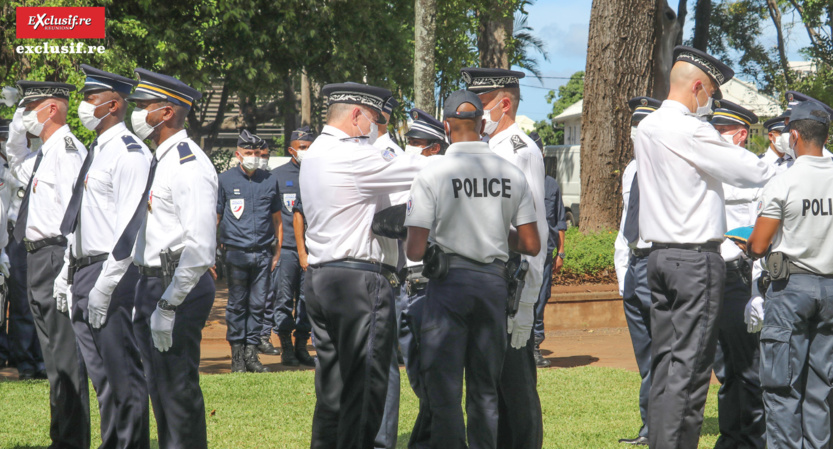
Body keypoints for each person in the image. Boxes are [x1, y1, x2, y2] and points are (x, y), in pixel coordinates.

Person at [633, 46, 774, 449]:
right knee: (691, 372)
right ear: (697, 87)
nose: (710, 102)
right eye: (710, 92)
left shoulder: (649, 126)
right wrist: (784, 157)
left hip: (659, 256)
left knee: (665, 365)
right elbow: (751, 171)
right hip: (694, 260)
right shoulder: (690, 128)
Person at [404, 88, 540, 449]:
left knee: (445, 392)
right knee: (484, 392)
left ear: (446, 126)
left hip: (448, 287)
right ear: (482, 124)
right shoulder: (510, 172)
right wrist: (494, 229)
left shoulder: (433, 173)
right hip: (493, 288)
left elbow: (415, 250)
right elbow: (531, 244)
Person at [299, 82, 429, 449]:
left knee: (332, 391)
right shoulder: (352, 154)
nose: (376, 130)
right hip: (357, 283)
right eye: (374, 120)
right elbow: (419, 169)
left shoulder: (317, 152)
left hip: (323, 278)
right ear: (357, 115)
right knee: (365, 390)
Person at [54, 64, 152, 449]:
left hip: (109, 274)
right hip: (83, 271)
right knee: (103, 380)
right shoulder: (98, 150)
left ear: (112, 105)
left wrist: (105, 285)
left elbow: (130, 227)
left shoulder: (129, 154)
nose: (81, 106)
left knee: (124, 378)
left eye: (89, 99)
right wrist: (66, 270)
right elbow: (83, 219)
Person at [127, 68, 218, 449]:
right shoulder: (160, 159)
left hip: (177, 285)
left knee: (177, 391)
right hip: (153, 282)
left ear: (166, 113)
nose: (137, 114)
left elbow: (199, 249)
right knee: (160, 389)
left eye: (143, 106)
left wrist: (168, 304)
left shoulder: (188, 164)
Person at [462, 66, 546, 449]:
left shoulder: (519, 151)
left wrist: (528, 298)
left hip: (511, 280)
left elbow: (533, 230)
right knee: (486, 384)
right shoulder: (482, 149)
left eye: (479, 105)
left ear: (503, 103)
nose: (472, 113)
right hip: (483, 279)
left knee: (515, 385)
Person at [6, 80, 90, 449]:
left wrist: (67, 273)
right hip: (37, 257)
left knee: (66, 358)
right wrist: (15, 121)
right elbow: (14, 159)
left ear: (51, 109)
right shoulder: (43, 153)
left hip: (57, 257)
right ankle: (62, 439)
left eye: (30, 108)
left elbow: (77, 218)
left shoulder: (68, 151)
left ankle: (72, 441)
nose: (26, 116)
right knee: (53, 359)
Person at [747, 100, 833, 449]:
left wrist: (748, 241)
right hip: (830, 290)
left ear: (794, 135)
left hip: (791, 289)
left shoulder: (784, 182)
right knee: (821, 385)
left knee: (782, 385)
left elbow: (758, 245)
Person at [708, 99, 765, 449]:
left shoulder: (756, 172)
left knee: (746, 366)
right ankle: (730, 437)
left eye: (721, 131)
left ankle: (754, 438)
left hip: (739, 275)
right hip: (708, 273)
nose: (714, 136)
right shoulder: (706, 169)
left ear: (741, 135)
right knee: (723, 366)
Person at [397, 107, 447, 449]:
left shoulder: (436, 172)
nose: (410, 147)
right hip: (404, 282)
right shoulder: (407, 173)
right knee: (416, 369)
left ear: (433, 148)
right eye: (409, 140)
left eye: (417, 142)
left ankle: (433, 438)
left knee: (430, 371)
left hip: (427, 282)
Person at [613, 95, 661, 446]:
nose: (635, 131)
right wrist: (622, 274)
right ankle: (650, 424)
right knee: (645, 356)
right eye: (632, 125)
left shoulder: (667, 165)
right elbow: (625, 221)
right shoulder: (631, 169)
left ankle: (655, 426)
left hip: (657, 261)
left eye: (641, 124)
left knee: (662, 354)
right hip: (633, 265)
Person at [216, 129, 280, 373]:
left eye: (256, 153)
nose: (253, 156)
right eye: (248, 152)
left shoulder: (269, 179)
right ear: (238, 154)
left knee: (258, 305)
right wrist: (214, 250)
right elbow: (217, 216)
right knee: (236, 305)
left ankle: (252, 355)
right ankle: (237, 358)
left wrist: (277, 252)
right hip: (236, 253)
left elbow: (277, 220)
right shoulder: (225, 180)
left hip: (263, 253)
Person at [0, 120, 45, 380]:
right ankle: (26, 362)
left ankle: (41, 360)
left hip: (41, 237)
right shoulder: (11, 168)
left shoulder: (41, 160)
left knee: (41, 300)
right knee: (22, 303)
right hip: (15, 236)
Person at [269, 126, 315, 366]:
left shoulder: (320, 172)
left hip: (314, 249)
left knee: (308, 300)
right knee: (284, 299)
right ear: (291, 150)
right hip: (287, 249)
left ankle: (301, 346)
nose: (307, 152)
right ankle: (286, 345)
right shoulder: (276, 176)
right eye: (303, 148)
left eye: (310, 147)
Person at [528, 131, 567, 368]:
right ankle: (522, 348)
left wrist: (561, 252)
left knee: (541, 299)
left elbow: (560, 221)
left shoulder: (551, 184)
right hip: (522, 252)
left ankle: (534, 346)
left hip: (546, 253)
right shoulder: (516, 180)